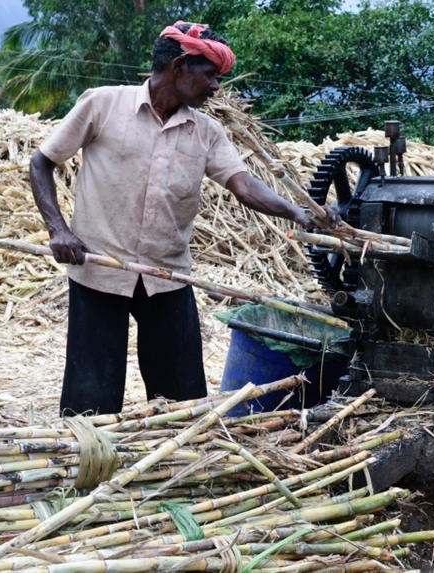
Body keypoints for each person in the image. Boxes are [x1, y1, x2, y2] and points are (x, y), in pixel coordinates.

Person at [30, 21, 339, 416]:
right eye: (210, 75)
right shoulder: (103, 105)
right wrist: (58, 229)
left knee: (182, 398)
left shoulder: (206, 131)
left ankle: (177, 464)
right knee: (91, 396)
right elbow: (41, 162)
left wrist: (299, 214)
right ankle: (90, 463)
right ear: (179, 68)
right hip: (98, 268)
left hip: (167, 275)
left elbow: (243, 185)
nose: (215, 87)